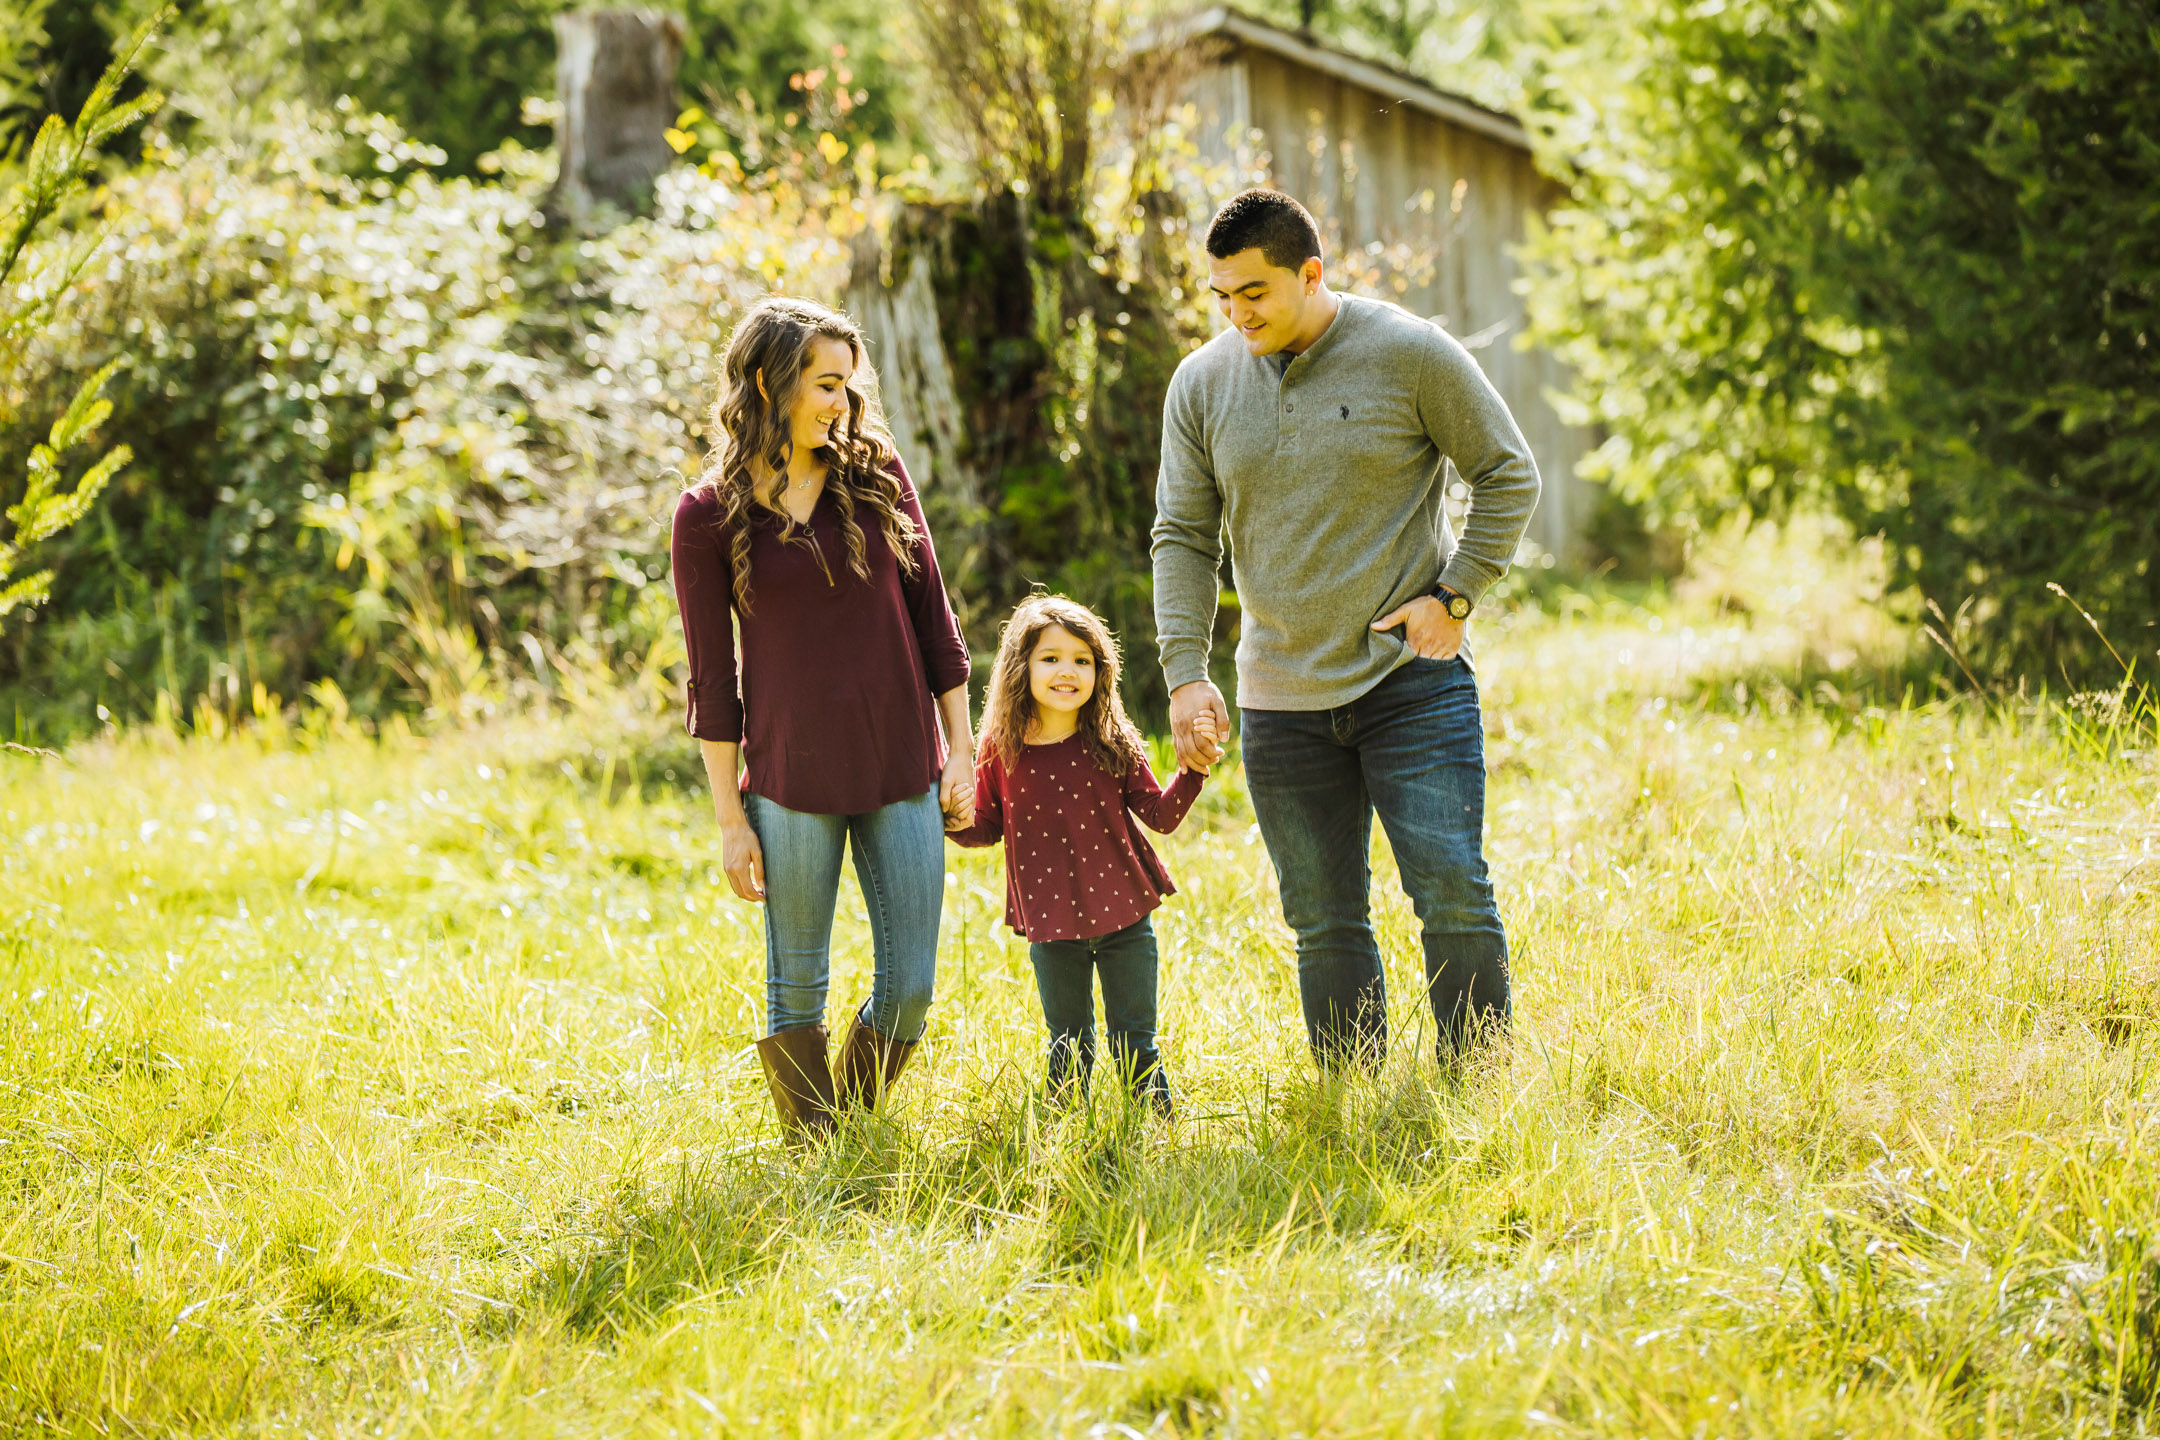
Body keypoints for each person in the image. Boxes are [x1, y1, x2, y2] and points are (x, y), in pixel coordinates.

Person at [1151, 188, 1541, 1069]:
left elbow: (1508, 473)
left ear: (1311, 273)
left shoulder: (1409, 353)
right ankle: (1349, 1094)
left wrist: (1456, 595)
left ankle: (1478, 1081)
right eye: (1221, 295)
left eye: (1253, 291)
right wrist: (1186, 670)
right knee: (1323, 917)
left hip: (1411, 682)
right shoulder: (1202, 383)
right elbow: (1180, 535)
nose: (1235, 313)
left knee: (1450, 890)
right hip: (1279, 695)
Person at [671, 297, 975, 1142]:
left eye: (847, 385)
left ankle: (851, 1121)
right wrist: (732, 821)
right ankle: (820, 1151)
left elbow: (935, 622)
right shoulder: (705, 515)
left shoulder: (877, 475)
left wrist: (964, 749)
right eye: (824, 384)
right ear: (770, 383)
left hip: (899, 763)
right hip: (789, 781)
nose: (841, 403)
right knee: (795, 985)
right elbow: (711, 682)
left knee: (911, 982)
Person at [946, 595, 1208, 1111]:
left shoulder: (1111, 739)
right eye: (1051, 658)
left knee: (1136, 1044)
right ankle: (1064, 1141)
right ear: (1021, 669)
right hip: (1051, 924)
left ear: (1099, 670)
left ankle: (1154, 1137)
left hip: (1126, 918)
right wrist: (947, 816)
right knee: (1069, 1046)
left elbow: (1160, 815)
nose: (1067, 671)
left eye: (1082, 660)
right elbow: (985, 828)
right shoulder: (1001, 748)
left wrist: (1193, 769)